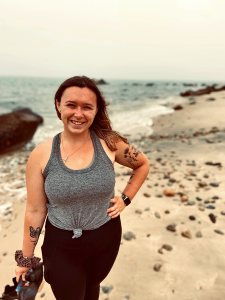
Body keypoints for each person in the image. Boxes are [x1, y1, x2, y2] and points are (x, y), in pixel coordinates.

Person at [15, 76, 149, 300]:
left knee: (92, 288)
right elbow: (35, 210)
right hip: (62, 248)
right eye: (71, 105)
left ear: (96, 110)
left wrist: (126, 199)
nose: (78, 114)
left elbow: (142, 164)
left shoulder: (110, 142)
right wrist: (25, 260)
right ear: (58, 105)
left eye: (87, 107)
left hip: (107, 238)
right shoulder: (42, 154)